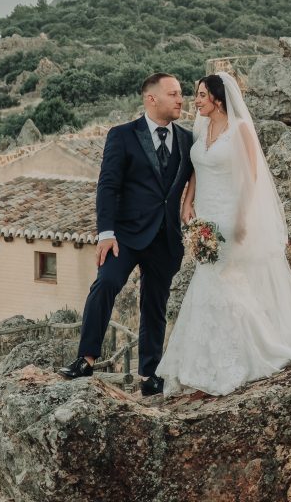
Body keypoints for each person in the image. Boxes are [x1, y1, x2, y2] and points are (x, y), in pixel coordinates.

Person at [156, 71, 291, 396]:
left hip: (231, 215)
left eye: (202, 95)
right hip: (204, 215)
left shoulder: (240, 130)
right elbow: (199, 166)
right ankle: (204, 363)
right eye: (196, 95)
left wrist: (241, 219)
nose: (196, 101)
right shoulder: (202, 127)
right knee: (209, 279)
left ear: (218, 99)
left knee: (223, 281)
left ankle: (246, 355)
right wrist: (188, 200)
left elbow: (251, 177)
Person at [59, 73, 194, 397]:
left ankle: (151, 374)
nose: (180, 100)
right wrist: (105, 233)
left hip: (165, 238)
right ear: (151, 99)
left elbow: (193, 180)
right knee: (105, 283)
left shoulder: (188, 139)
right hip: (124, 236)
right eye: (173, 94)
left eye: (181, 94)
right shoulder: (122, 135)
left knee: (155, 304)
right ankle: (86, 359)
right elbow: (108, 186)